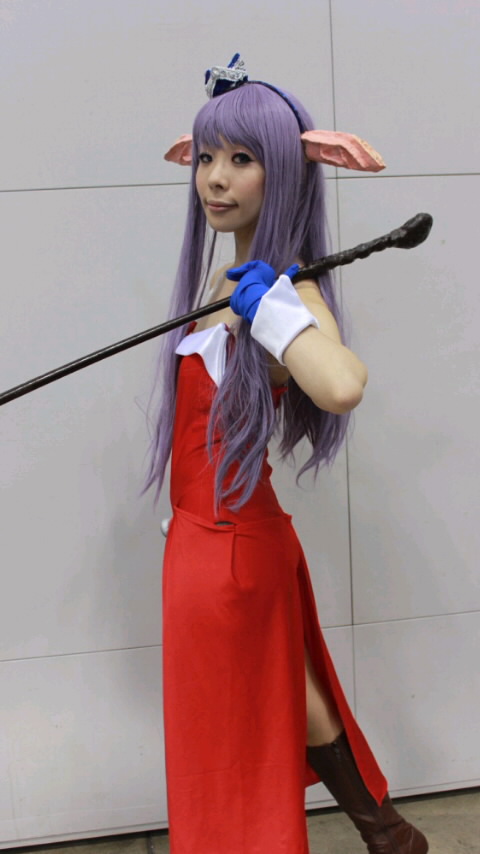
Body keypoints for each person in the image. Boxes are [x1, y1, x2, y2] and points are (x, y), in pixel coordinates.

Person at [145, 55, 429, 854]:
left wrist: (270, 311)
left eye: (243, 159)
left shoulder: (289, 295)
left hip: (232, 550)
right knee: (291, 694)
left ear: (289, 172)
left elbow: (340, 384)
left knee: (237, 730)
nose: (215, 178)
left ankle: (382, 835)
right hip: (210, 538)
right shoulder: (223, 277)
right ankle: (390, 836)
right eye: (207, 156)